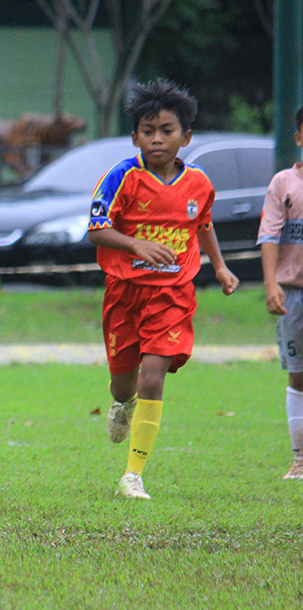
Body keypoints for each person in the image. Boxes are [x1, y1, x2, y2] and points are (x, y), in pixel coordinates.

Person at [88, 78, 239, 500]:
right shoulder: (121, 177)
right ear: (135, 136)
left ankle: (133, 475)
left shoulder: (199, 183)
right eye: (148, 130)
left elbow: (202, 224)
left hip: (172, 294)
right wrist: (136, 244)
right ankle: (123, 403)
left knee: (152, 379)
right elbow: (96, 229)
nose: (157, 138)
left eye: (166, 130)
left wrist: (220, 267)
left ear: (185, 137)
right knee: (124, 384)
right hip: (124, 292)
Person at [258, 105, 303, 480]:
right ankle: (300, 459)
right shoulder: (283, 183)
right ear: (299, 137)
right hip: (294, 293)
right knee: (298, 376)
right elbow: (269, 236)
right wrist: (271, 284)